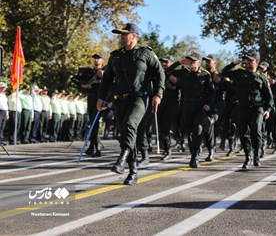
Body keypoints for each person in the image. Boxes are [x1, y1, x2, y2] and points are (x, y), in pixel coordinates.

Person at [97, 23, 165, 185]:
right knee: (126, 135)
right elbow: (106, 79)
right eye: (120, 34)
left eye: (124, 34)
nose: (121, 37)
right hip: (120, 100)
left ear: (134, 36)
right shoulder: (115, 56)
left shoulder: (146, 53)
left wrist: (158, 94)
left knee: (129, 125)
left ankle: (121, 160)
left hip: (140, 99)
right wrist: (101, 97)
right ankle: (133, 172)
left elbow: (159, 73)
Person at [221, 51, 274, 169]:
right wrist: (233, 64)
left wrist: (268, 110)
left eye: (251, 60)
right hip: (243, 107)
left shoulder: (262, 78)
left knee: (256, 129)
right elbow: (224, 73)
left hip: (257, 107)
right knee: (243, 133)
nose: (248, 62)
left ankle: (256, 155)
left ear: (257, 62)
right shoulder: (239, 73)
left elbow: (269, 97)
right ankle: (248, 156)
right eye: (247, 60)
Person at [169, 52, 215, 168]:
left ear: (199, 63)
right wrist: (178, 63)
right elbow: (167, 71)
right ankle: (194, 151)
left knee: (198, 128)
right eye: (189, 61)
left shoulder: (205, 75)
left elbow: (212, 92)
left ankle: (195, 155)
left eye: (193, 62)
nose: (191, 64)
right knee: (188, 131)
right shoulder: (183, 73)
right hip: (186, 106)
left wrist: (208, 105)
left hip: (200, 106)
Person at [81, 52, 105, 157]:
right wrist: (85, 86)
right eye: (95, 58)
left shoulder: (107, 71)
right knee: (92, 122)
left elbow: (111, 83)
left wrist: (103, 77)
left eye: (98, 58)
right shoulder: (89, 72)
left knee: (95, 122)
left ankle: (96, 147)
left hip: (100, 99)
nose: (96, 60)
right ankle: (93, 146)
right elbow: (80, 81)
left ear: (102, 61)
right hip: (91, 98)